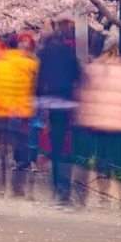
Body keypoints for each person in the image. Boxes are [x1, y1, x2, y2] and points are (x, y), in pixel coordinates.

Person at [0, 33, 38, 197]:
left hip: (1, 111)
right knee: (21, 144)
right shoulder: (31, 65)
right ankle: (19, 186)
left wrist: (5, 105)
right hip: (23, 111)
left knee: (0, 146)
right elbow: (34, 88)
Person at [37, 28, 81, 205]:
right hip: (67, 100)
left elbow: (40, 78)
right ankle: (65, 186)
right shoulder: (70, 54)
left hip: (51, 100)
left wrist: (38, 97)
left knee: (55, 142)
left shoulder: (45, 54)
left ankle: (57, 184)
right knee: (65, 141)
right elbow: (78, 76)